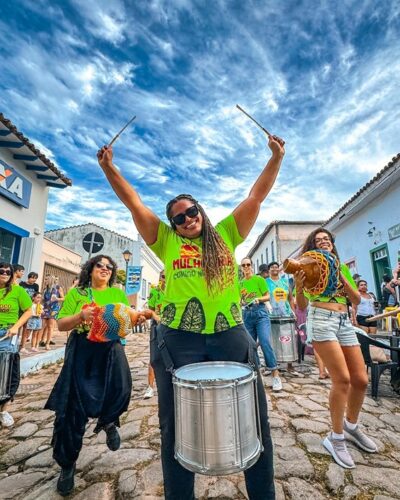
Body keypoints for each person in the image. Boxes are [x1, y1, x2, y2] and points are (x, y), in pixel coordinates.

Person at [97, 133, 285, 500]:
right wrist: (108, 168)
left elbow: (256, 196)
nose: (187, 219)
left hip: (230, 333)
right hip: (178, 339)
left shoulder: (227, 233)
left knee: (255, 417)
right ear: (172, 224)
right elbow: (133, 202)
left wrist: (276, 157)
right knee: (174, 423)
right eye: (178, 217)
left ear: (201, 210)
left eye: (191, 211)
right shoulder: (167, 241)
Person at [45, 255, 134, 496]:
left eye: (109, 267)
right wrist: (81, 317)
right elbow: (61, 324)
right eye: (99, 265)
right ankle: (67, 465)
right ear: (90, 269)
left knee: (120, 389)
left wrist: (139, 317)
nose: (105, 269)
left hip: (110, 349)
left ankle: (108, 421)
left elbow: (127, 319)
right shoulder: (78, 293)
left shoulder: (117, 293)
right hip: (82, 349)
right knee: (73, 406)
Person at [295, 228, 377, 469]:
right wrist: (298, 286)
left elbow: (356, 300)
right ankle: (336, 437)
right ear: (313, 245)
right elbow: (301, 305)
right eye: (318, 240)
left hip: (344, 322)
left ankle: (351, 426)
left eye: (326, 239)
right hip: (321, 319)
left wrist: (338, 272)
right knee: (342, 379)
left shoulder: (341, 267)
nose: (323, 242)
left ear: (332, 243)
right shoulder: (308, 266)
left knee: (360, 379)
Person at [240, 257, 282, 391]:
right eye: (243, 265)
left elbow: (268, 296)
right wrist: (240, 302)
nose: (246, 267)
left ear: (252, 266)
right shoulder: (240, 284)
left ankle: (275, 374)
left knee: (264, 342)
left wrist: (259, 299)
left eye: (248, 264)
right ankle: (257, 376)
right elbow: (239, 299)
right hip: (247, 315)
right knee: (251, 345)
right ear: (241, 268)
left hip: (260, 313)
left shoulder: (259, 280)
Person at [0, 262, 32, 427]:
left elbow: (29, 311)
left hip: (7, 335)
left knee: (5, 375)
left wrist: (15, 327)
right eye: (1, 270)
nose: (5, 273)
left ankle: (4, 411)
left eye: (8, 271)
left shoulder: (18, 291)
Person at [145, 271, 166, 399]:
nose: (166, 279)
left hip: (171, 325)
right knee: (154, 356)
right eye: (163, 276)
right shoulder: (155, 292)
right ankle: (150, 387)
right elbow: (151, 309)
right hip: (157, 325)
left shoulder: (174, 290)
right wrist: (156, 317)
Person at [40, 275, 64, 350]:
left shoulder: (58, 288)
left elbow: (63, 298)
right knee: (42, 326)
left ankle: (47, 344)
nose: (45, 280)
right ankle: (40, 342)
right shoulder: (45, 289)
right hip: (45, 308)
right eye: (45, 279)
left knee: (50, 326)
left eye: (46, 279)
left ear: (50, 280)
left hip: (54, 309)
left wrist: (57, 299)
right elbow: (43, 300)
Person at [19, 272, 40, 352]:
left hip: (29, 308)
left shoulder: (36, 286)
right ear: (28, 277)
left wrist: (37, 308)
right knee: (19, 326)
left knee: (26, 327)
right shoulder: (22, 284)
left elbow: (37, 297)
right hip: (21, 308)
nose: (34, 280)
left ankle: (22, 346)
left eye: (35, 278)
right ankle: (14, 343)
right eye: (32, 278)